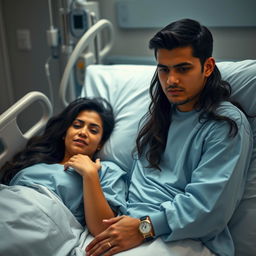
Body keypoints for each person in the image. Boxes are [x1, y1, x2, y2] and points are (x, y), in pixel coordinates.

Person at [85, 19, 253, 256]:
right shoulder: (156, 118)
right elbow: (137, 183)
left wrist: (144, 228)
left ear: (207, 67)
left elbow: (208, 209)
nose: (171, 80)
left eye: (183, 69)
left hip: (186, 239)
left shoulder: (226, 125)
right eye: (164, 69)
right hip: (129, 227)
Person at [0, 97, 126, 255]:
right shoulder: (36, 162)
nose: (82, 132)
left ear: (100, 143)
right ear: (65, 133)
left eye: (93, 130)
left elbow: (103, 228)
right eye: (77, 125)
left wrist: (90, 174)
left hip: (39, 219)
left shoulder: (105, 170)